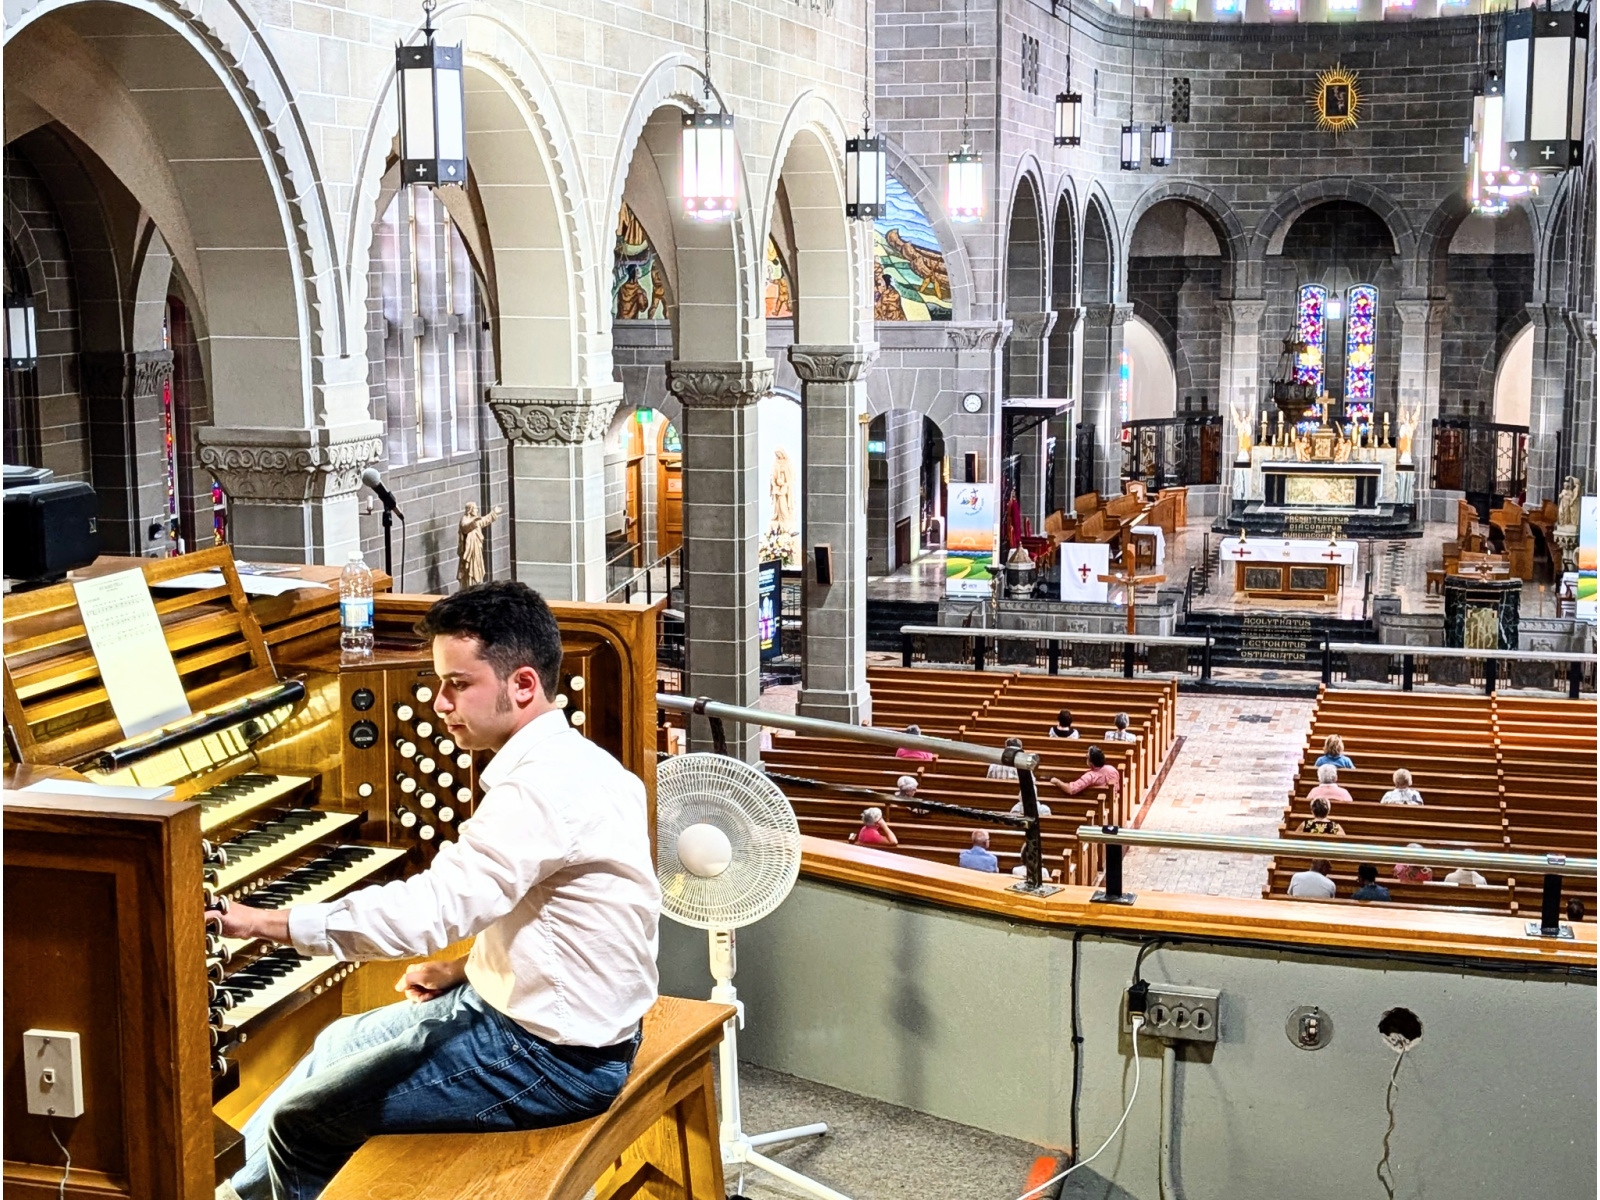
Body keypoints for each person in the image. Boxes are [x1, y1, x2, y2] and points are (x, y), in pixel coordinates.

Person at [209, 582, 661, 1200]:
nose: (440, 702)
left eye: (457, 683)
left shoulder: (538, 792)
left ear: (522, 685)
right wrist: (469, 968)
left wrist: (264, 922)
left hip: (556, 1060)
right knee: (335, 1042)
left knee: (304, 1123)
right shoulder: (583, 763)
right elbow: (572, 927)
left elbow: (428, 913)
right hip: (538, 1016)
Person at [1048, 746, 1121, 799]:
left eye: (1087, 756)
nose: (1085, 756)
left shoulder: (1090, 776)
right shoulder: (1112, 769)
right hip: (1114, 800)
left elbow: (1071, 790)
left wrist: (1057, 782)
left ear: (1091, 763)